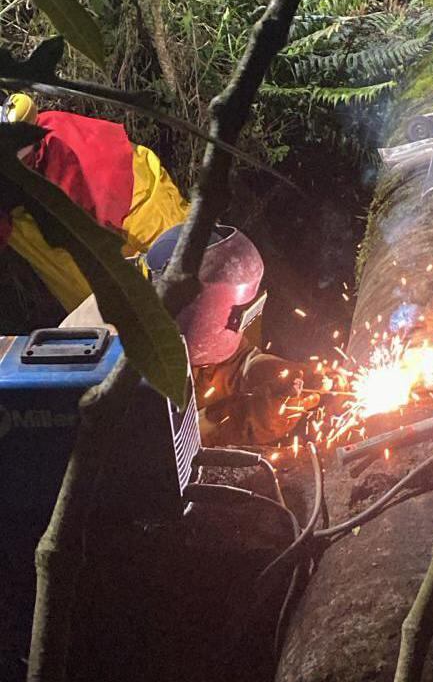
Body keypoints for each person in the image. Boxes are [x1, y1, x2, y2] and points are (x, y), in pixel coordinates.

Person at [63, 224, 322, 446]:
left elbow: (224, 359)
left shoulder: (180, 305)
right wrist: (235, 421)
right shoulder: (110, 357)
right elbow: (156, 451)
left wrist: (263, 370)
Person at [0, 93, 189, 312]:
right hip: (30, 218)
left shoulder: (69, 149)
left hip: (122, 185)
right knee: (102, 315)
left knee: (184, 265)